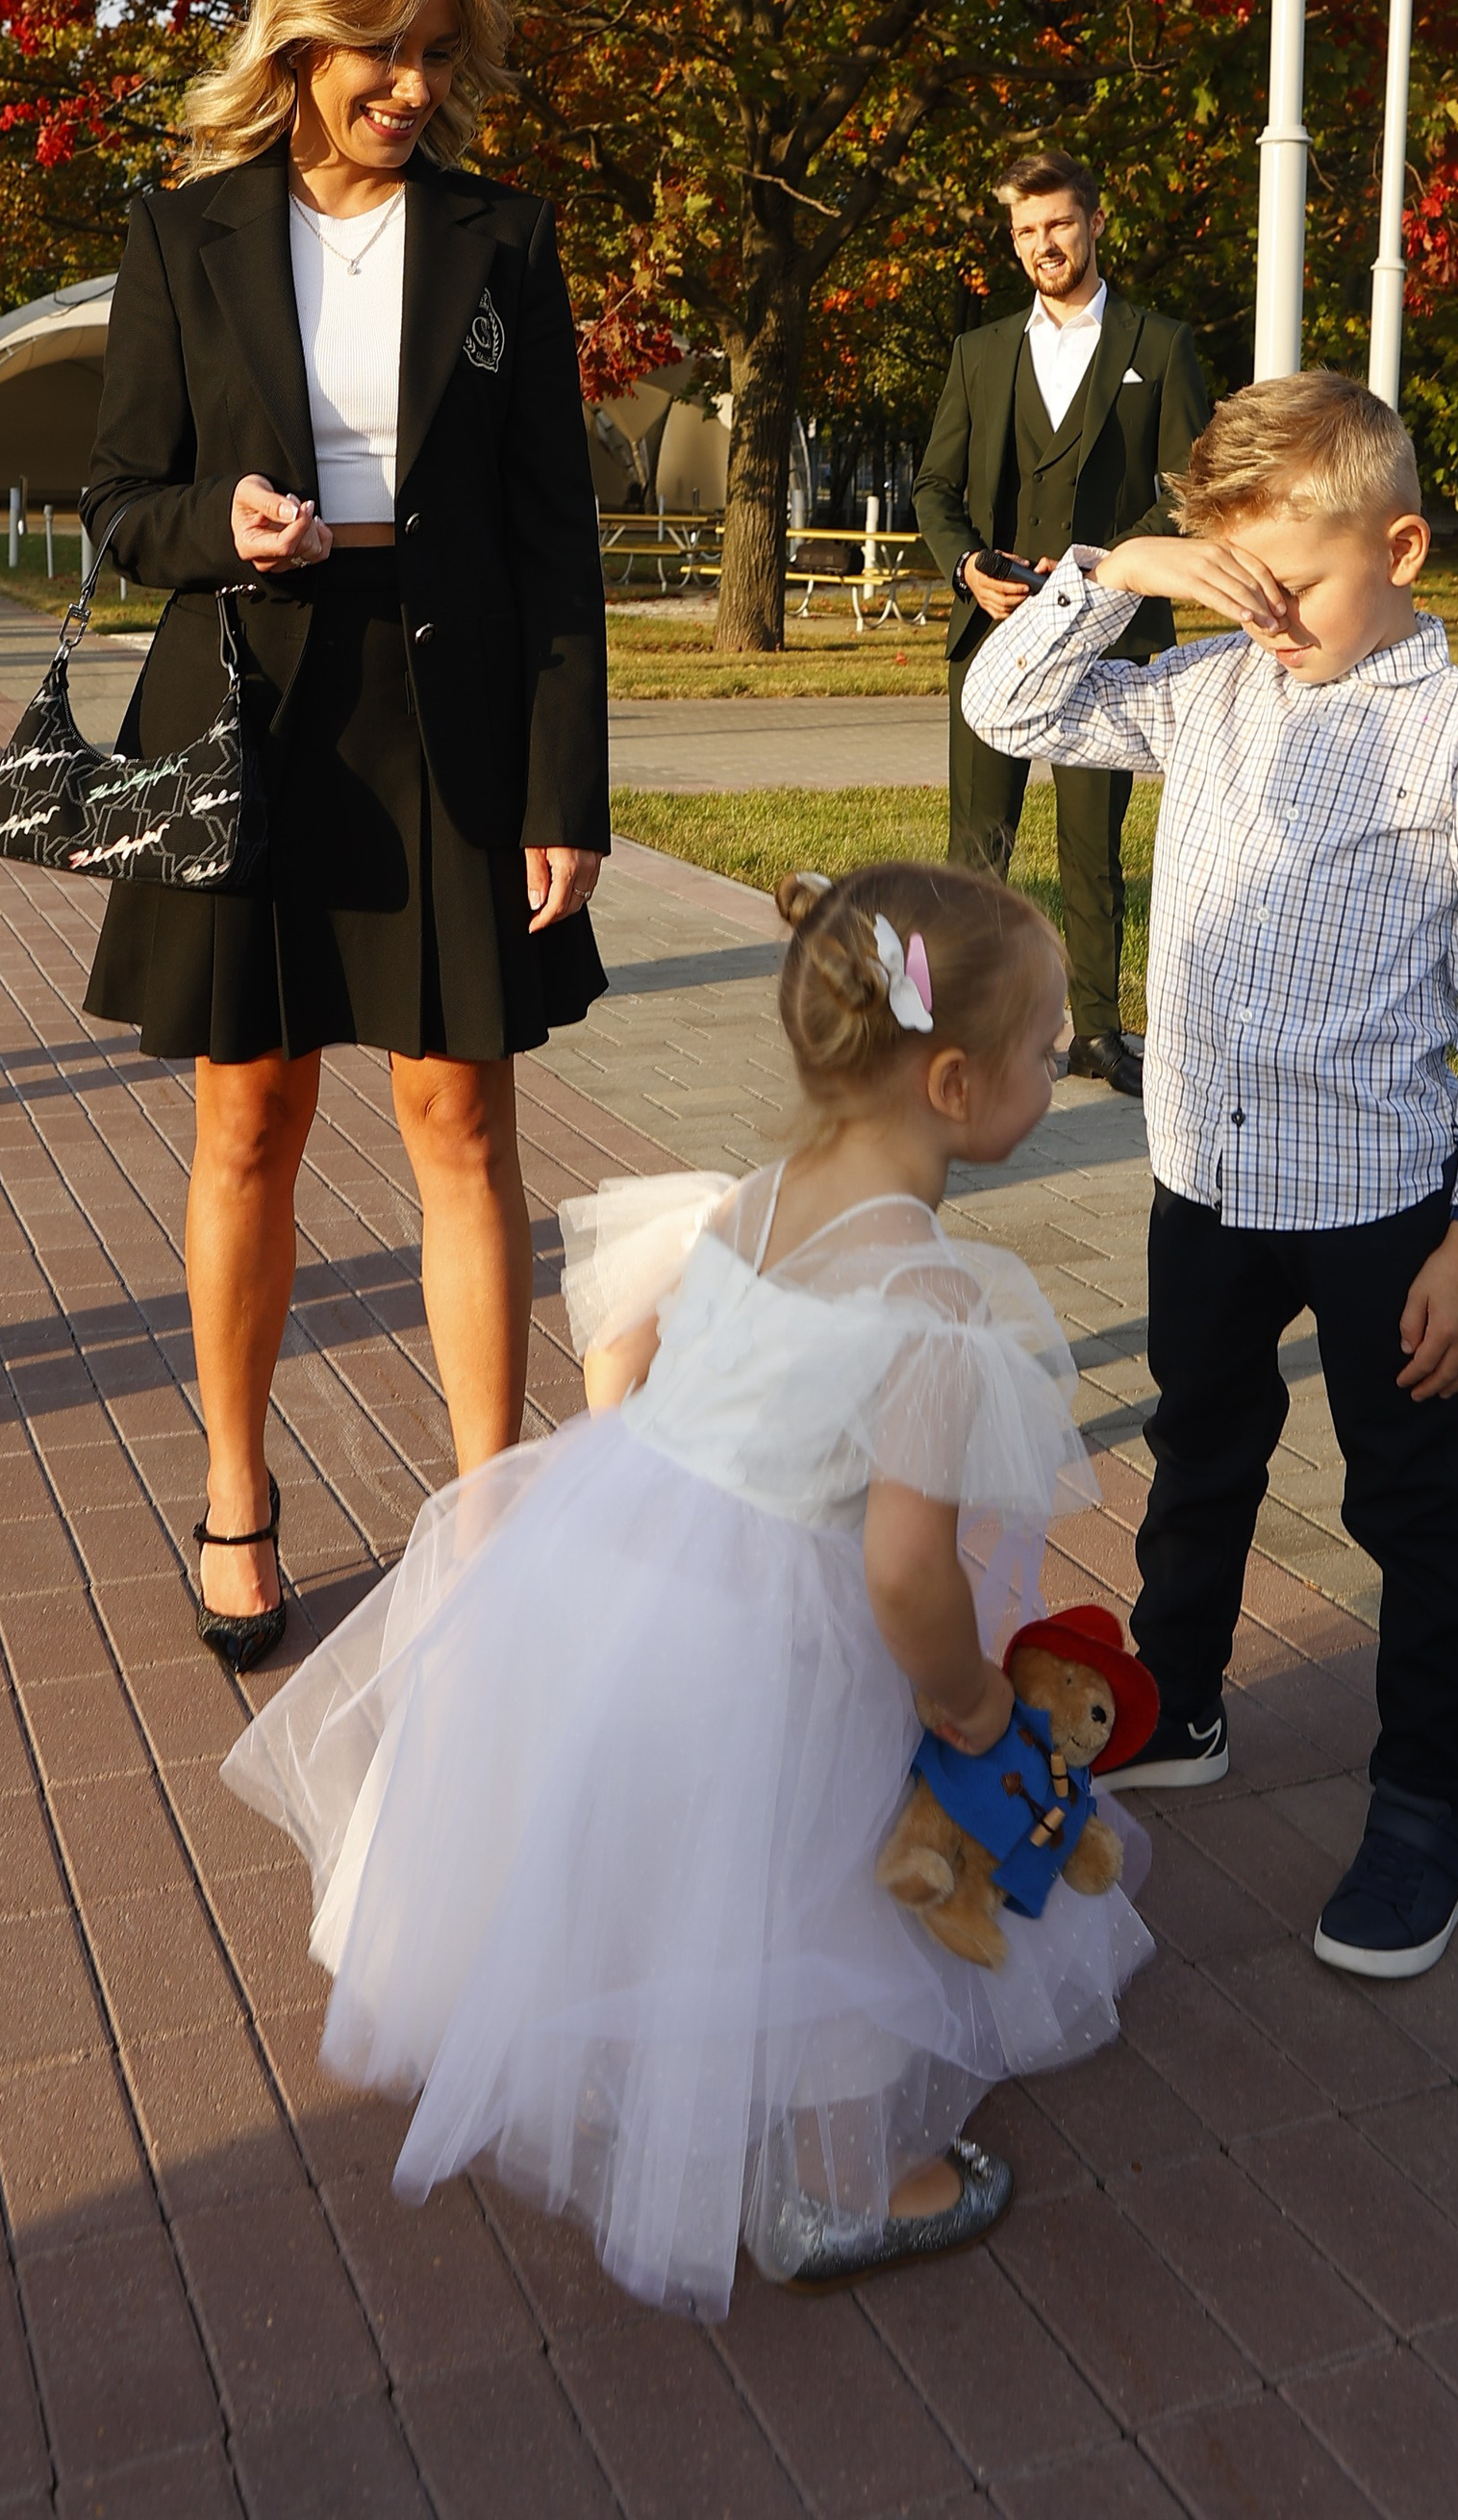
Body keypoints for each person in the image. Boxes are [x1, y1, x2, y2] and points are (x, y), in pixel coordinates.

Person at [222, 860, 1154, 2317]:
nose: (1057, 1074)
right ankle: (831, 2188)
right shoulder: (931, 1302)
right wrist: (966, 1698)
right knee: (812, 1891)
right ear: (957, 1082)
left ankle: (628, 2060)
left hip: (623, 1560)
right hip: (772, 1635)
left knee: (660, 1846)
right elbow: (908, 1568)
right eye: (1047, 1053)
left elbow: (632, 1360)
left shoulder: (754, 1198)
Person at [961, 371, 1458, 1979]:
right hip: (1207, 1182)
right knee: (1201, 1447)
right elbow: (1007, 713)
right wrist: (1123, 574)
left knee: (1413, 1504)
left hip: (1383, 1203)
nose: (1269, 611)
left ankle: (1431, 1802)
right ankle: (1180, 1696)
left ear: (1405, 546)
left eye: (1293, 579)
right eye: (1238, 576)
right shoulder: (1206, 687)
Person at [81, 0, 609, 1670]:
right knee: (252, 1116)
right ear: (303, 37)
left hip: (450, 706)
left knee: (459, 1114)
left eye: (436, 55)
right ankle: (237, 1496)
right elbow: (119, 498)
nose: (414, 85)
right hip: (254, 699)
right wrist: (216, 524)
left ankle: (488, 1518)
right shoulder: (186, 232)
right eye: (386, 50)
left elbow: (558, 538)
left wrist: (567, 791)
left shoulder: (505, 241)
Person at [913, 144, 1211, 1097]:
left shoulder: (1158, 347)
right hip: (993, 632)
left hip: (1105, 638)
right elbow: (934, 486)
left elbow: (1189, 491)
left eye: (1058, 224)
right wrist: (965, 565)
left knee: (1094, 848)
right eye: (1026, 231)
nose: (1044, 244)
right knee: (978, 845)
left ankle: (1096, 1032)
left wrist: (1105, 569)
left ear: (1093, 221)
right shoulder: (979, 352)